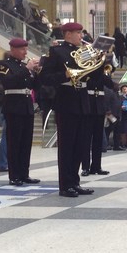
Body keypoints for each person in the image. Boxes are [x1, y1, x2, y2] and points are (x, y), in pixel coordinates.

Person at [39, 23, 95, 198]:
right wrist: (64, 75)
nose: (81, 36)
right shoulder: (57, 52)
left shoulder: (84, 51)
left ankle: (75, 182)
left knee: (80, 145)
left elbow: (94, 76)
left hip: (82, 100)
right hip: (66, 100)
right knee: (67, 146)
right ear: (68, 34)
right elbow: (45, 78)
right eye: (78, 33)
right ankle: (65, 184)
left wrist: (99, 59)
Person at [0, 38, 41, 186]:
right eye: (22, 49)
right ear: (13, 49)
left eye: (26, 49)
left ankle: (24, 173)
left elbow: (34, 85)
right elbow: (8, 82)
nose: (25, 52)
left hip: (27, 105)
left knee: (25, 142)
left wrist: (37, 73)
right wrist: (27, 69)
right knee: (14, 142)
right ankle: (14, 175)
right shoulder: (4, 64)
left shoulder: (23, 66)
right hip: (13, 106)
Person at [81, 63, 113, 176]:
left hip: (99, 107)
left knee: (98, 139)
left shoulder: (102, 75)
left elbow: (111, 85)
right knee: (86, 139)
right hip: (89, 106)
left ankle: (96, 166)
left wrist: (104, 72)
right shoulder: (86, 72)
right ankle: (85, 167)